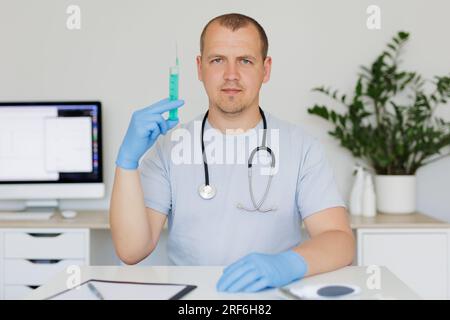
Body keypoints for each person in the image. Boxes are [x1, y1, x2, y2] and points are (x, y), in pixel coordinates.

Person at [110, 13, 355, 293]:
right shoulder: (169, 148)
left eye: (245, 61)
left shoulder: (301, 147)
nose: (231, 75)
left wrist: (287, 264)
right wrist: (127, 162)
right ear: (199, 68)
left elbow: (339, 240)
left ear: (266, 69)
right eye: (217, 60)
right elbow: (131, 250)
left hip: (269, 298)